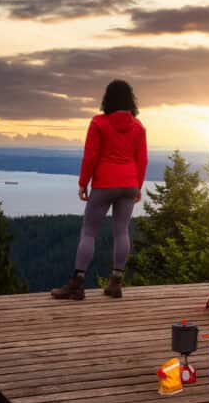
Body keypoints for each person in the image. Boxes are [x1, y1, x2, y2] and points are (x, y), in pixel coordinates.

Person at [51, 80, 147, 300]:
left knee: (89, 231)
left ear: (107, 99)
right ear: (131, 100)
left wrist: (83, 182)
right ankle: (115, 283)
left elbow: (91, 156)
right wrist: (138, 187)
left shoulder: (98, 123)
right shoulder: (138, 127)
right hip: (129, 183)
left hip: (105, 183)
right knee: (122, 231)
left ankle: (76, 284)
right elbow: (142, 160)